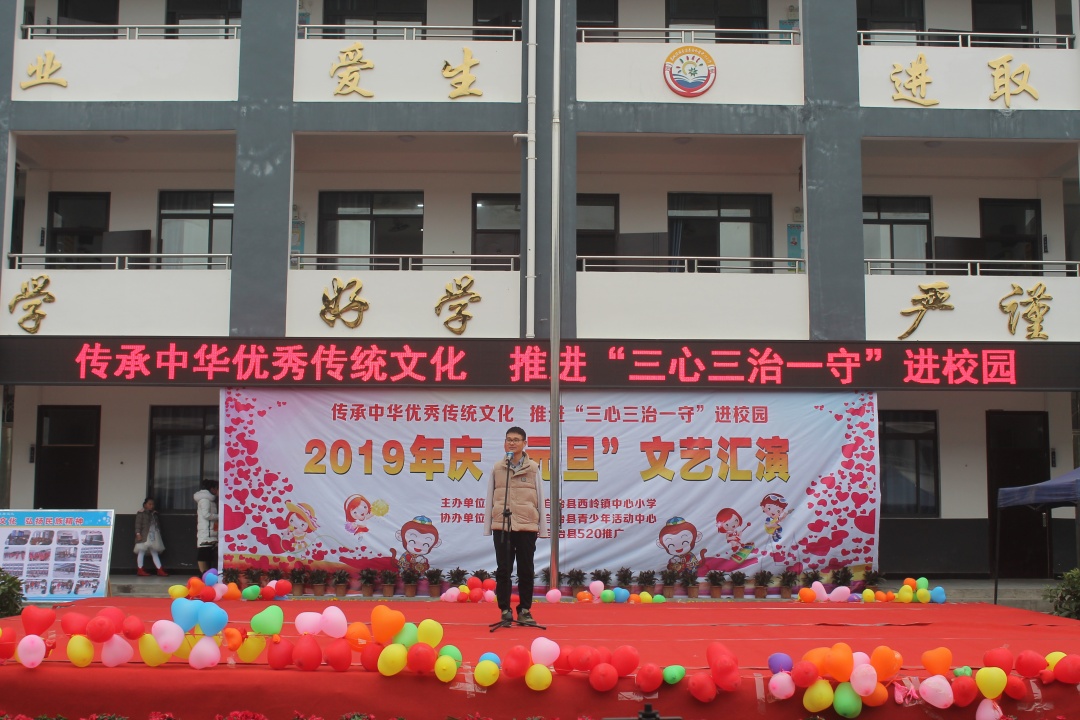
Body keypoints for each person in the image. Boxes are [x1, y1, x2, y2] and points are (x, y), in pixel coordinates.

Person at [484, 426, 547, 626]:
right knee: (503, 569)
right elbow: (490, 497)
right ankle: (505, 610)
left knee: (526, 569)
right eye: (509, 439)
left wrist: (542, 527)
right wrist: (489, 525)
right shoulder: (497, 468)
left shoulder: (534, 468)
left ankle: (525, 610)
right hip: (503, 525)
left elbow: (541, 499)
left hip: (527, 526)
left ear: (524, 443)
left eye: (516, 439)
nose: (512, 443)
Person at [133, 497, 167, 576]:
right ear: (145, 505)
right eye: (149, 504)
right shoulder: (141, 513)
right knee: (141, 551)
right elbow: (138, 524)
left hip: (153, 535)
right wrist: (138, 533)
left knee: (154, 551)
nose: (151, 506)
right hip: (144, 535)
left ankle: (159, 569)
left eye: (152, 504)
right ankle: (140, 569)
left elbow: (157, 525)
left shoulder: (154, 514)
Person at [194, 479, 219, 573]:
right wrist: (219, 517)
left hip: (211, 531)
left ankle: (206, 572)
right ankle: (203, 573)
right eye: (217, 488)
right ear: (212, 489)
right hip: (206, 532)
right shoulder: (205, 500)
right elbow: (206, 515)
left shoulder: (211, 500)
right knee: (203, 553)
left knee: (209, 553)